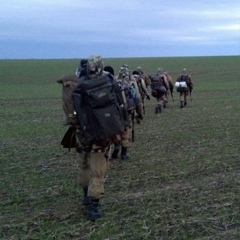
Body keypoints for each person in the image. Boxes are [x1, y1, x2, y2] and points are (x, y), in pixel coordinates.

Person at [74, 55, 125, 221]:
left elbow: (73, 111)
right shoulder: (109, 81)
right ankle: (94, 206)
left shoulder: (78, 84)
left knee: (84, 165)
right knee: (98, 170)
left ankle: (85, 197)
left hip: (82, 134)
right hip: (102, 134)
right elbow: (120, 103)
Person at [112, 66, 143, 160]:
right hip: (127, 110)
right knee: (125, 131)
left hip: (114, 111)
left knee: (115, 129)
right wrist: (139, 112)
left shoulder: (112, 82)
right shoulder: (131, 83)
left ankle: (116, 145)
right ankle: (124, 153)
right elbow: (137, 98)